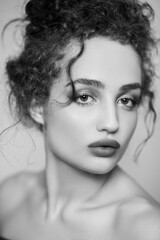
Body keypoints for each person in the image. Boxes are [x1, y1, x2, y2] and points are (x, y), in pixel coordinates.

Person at [0, 0, 160, 239]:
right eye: (85, 97)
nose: (112, 123)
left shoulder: (144, 228)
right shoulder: (9, 196)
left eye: (127, 100)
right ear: (37, 104)